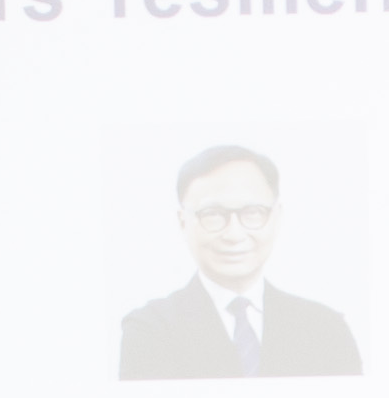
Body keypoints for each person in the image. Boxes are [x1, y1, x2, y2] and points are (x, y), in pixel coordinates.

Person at [116, 142, 364, 376]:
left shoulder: (326, 329)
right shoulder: (150, 331)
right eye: (213, 214)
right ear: (183, 222)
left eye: (253, 212)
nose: (234, 235)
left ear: (277, 217)